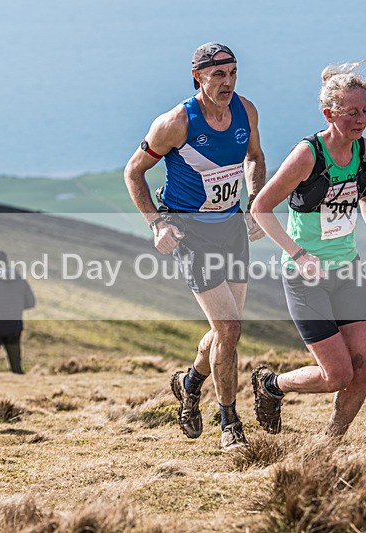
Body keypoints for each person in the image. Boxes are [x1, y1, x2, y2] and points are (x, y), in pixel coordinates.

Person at [124, 42, 266, 450]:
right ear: (198, 77)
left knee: (225, 332)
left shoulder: (246, 111)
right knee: (230, 328)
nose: (228, 82)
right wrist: (156, 224)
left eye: (233, 72)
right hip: (190, 233)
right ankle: (229, 423)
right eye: (218, 74)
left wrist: (255, 202)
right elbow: (133, 173)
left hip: (232, 227)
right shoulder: (175, 123)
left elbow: (255, 157)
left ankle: (189, 383)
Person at [249, 60, 366, 439]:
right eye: (351, 112)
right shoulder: (307, 155)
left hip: (348, 271)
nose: (361, 119)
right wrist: (298, 254)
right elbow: (261, 208)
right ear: (329, 113)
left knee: (363, 369)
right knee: (337, 375)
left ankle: (329, 445)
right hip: (305, 278)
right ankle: (271, 386)